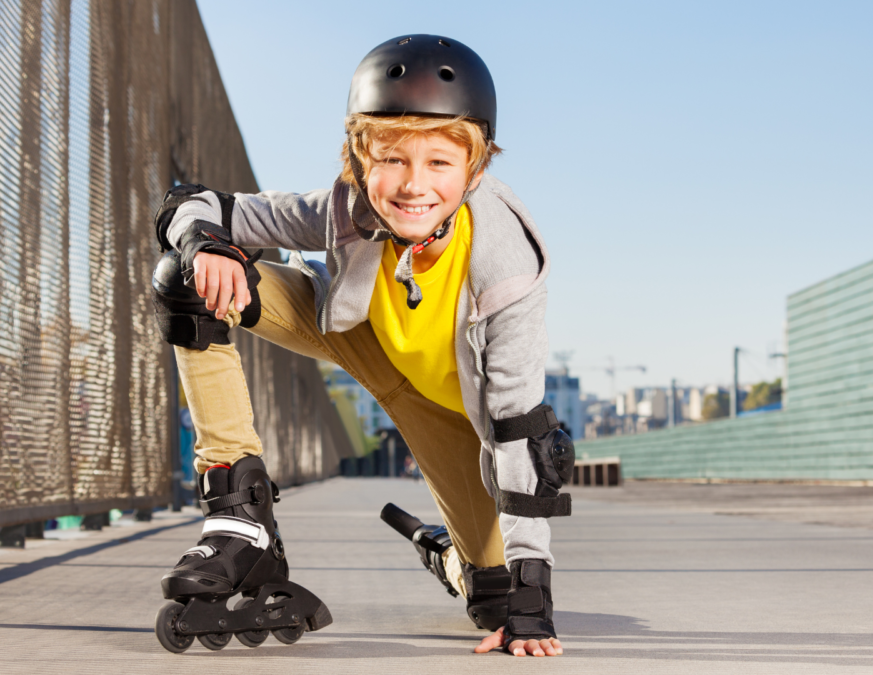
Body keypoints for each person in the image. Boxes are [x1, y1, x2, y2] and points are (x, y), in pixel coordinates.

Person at [151, 34, 572, 657]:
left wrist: (532, 602)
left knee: (493, 600)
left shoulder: (506, 266)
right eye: (392, 160)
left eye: (439, 163)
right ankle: (239, 514)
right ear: (359, 158)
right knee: (187, 278)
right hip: (358, 342)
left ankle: (451, 558)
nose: (412, 186)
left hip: (452, 414)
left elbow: (521, 434)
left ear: (475, 169)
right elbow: (198, 205)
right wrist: (204, 244)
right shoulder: (347, 207)